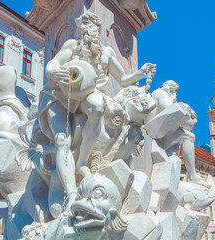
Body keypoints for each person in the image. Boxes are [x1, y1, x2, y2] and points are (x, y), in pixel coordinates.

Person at [35, 12, 156, 214]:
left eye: (92, 27)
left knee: (97, 105)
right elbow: (51, 66)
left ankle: (82, 161)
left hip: (85, 96)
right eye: (85, 27)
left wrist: (140, 73)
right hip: (60, 96)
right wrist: (54, 71)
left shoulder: (106, 54)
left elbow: (124, 80)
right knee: (62, 140)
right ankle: (72, 192)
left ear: (99, 31)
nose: (88, 31)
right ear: (80, 30)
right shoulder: (72, 47)